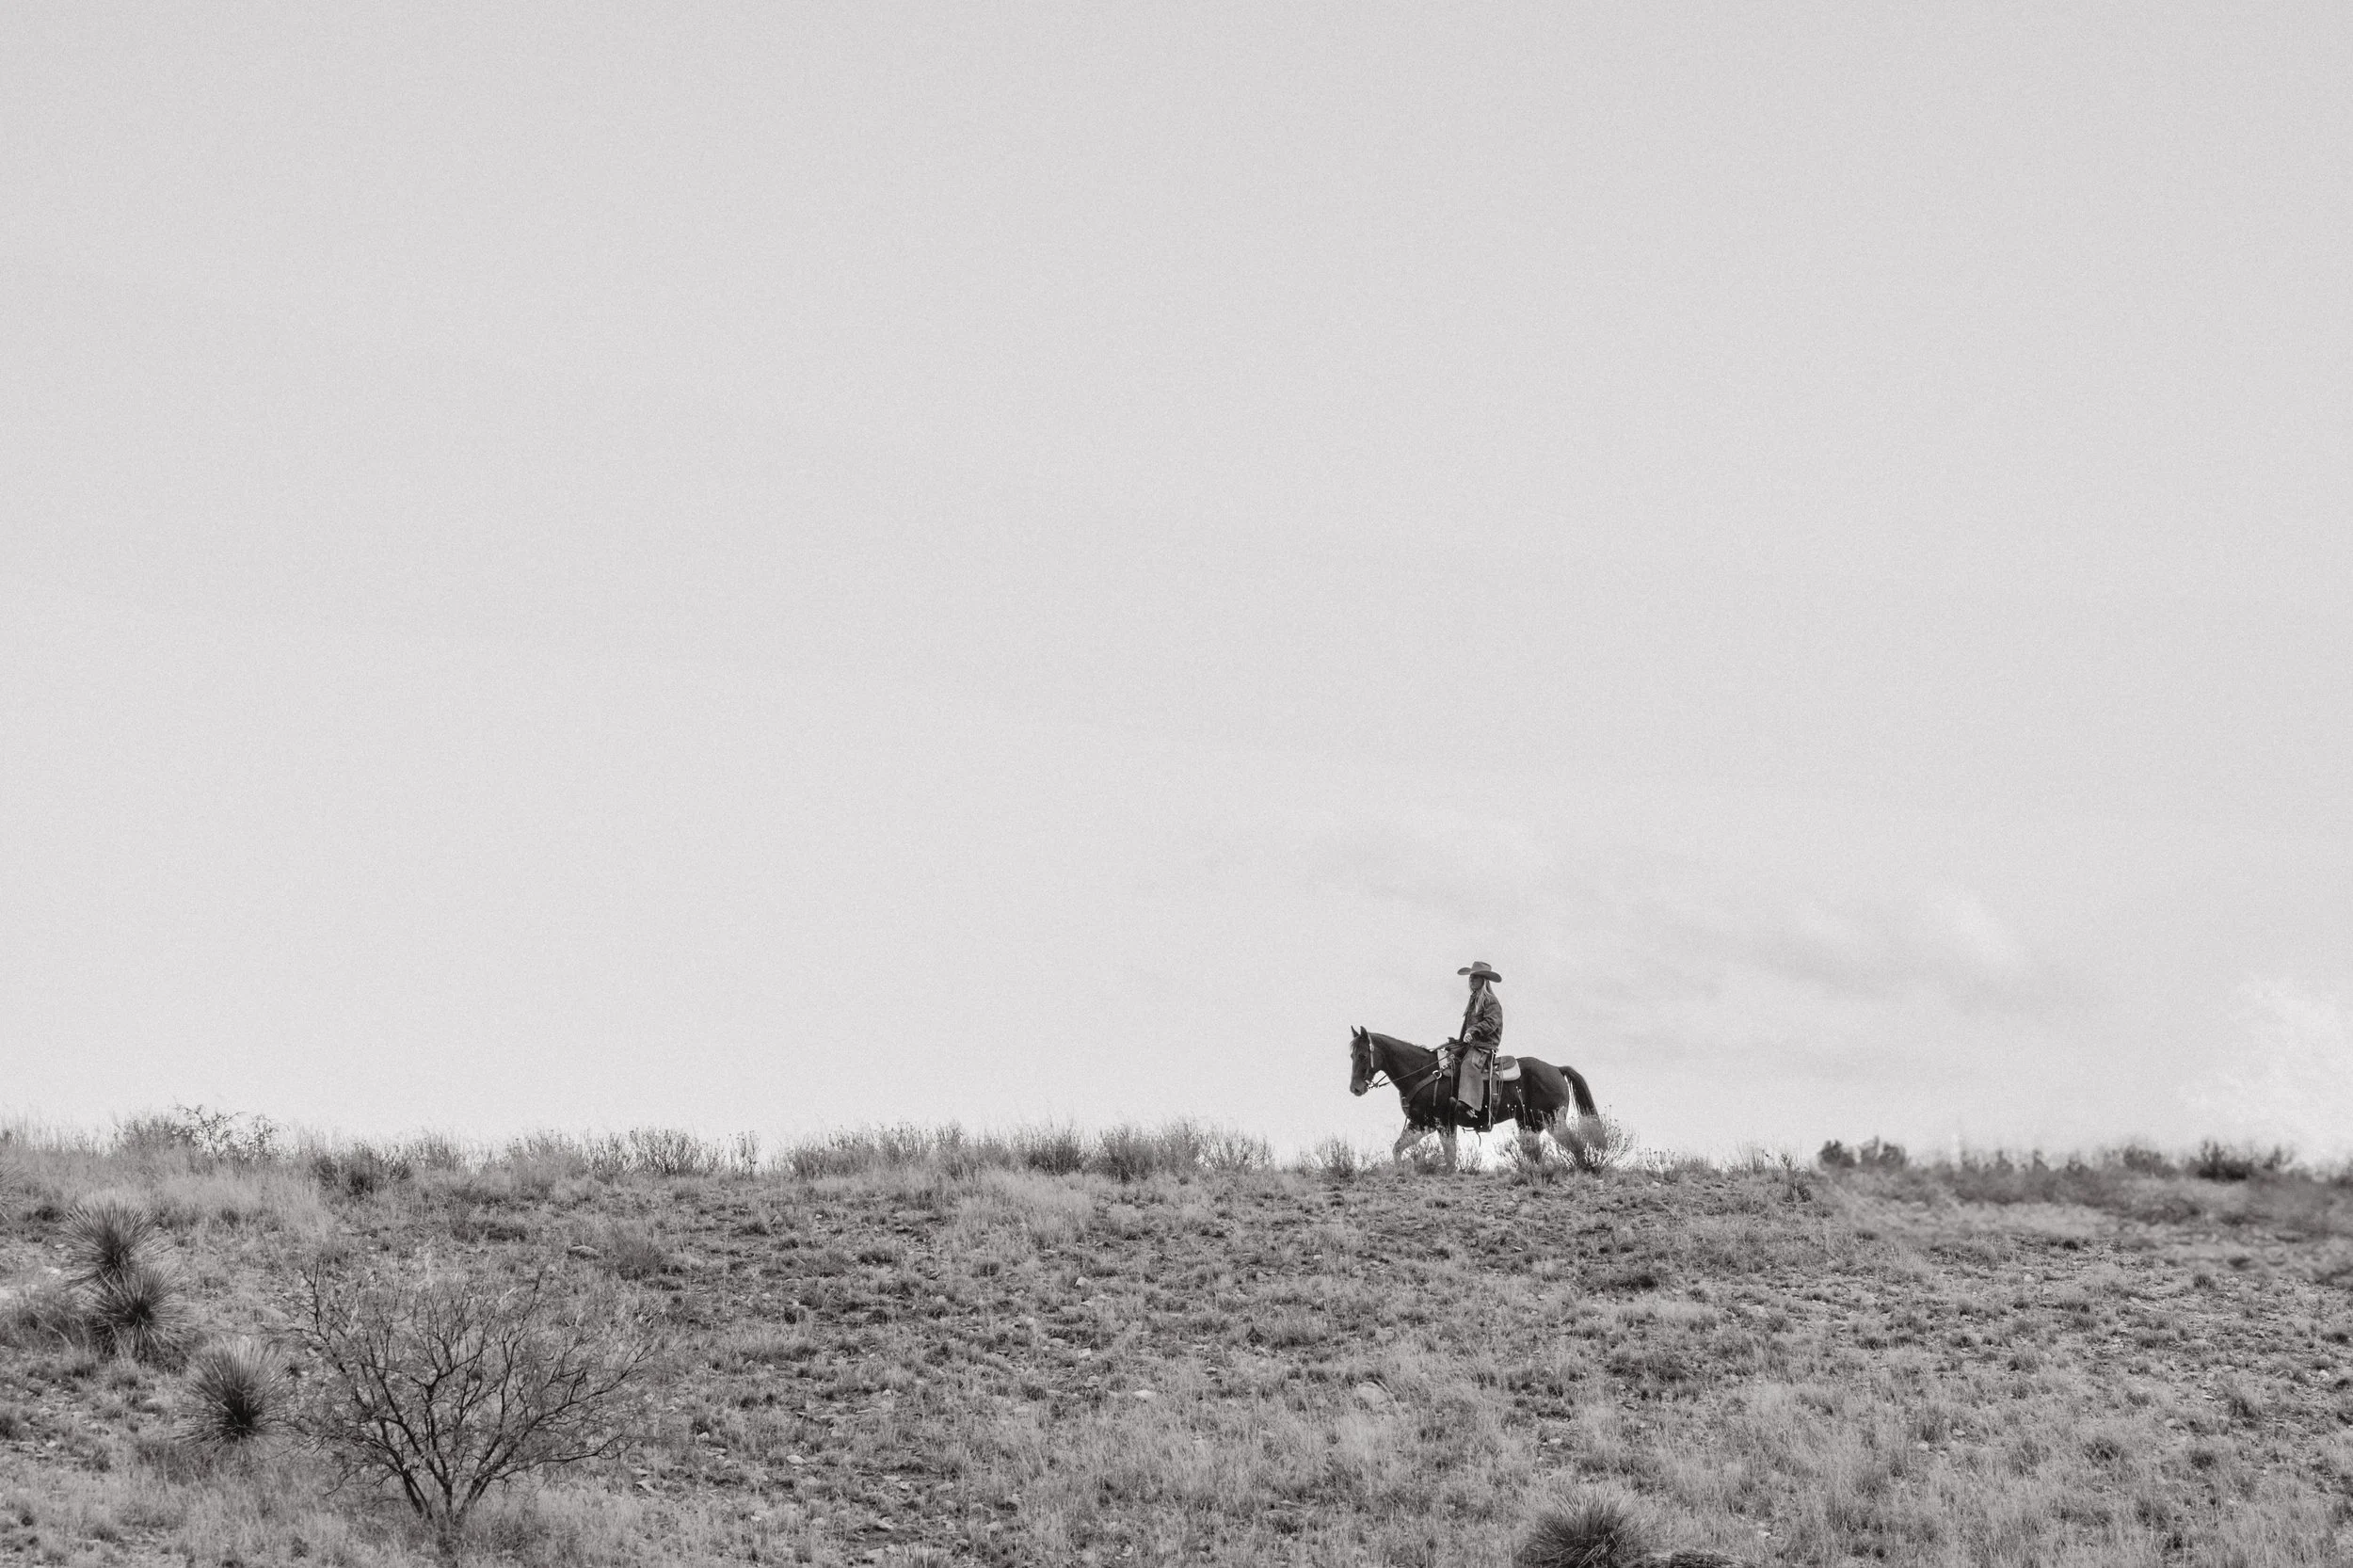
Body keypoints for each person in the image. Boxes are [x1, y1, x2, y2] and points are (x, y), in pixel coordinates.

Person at [1449, 961, 1503, 1122]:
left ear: (1483, 980)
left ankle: (1469, 1106)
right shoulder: (1474, 1000)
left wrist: (1473, 1031)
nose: (1471, 980)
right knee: (1447, 1056)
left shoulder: (1491, 1001)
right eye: (1471, 977)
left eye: (1475, 977)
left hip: (1484, 1046)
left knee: (1469, 1064)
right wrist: (1458, 1042)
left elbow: (1492, 1022)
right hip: (1471, 1044)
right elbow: (1467, 1027)